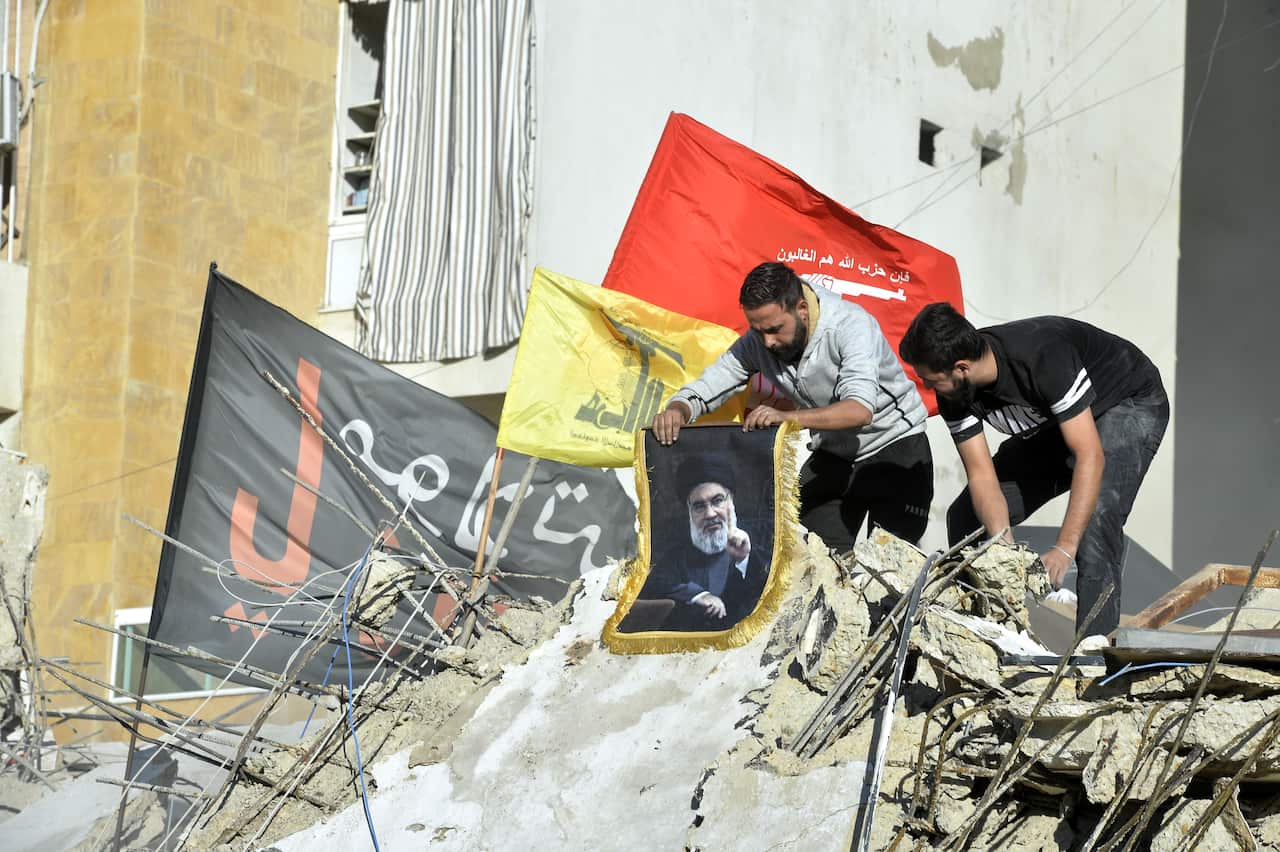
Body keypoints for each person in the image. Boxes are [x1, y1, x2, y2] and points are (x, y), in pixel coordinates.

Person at [898, 302, 1169, 636]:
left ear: (962, 368)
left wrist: (1063, 548)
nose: (927, 389)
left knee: (1095, 524)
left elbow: (1090, 456)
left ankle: (1093, 655)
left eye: (931, 381)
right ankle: (987, 634)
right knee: (966, 517)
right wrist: (1002, 547)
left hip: (1127, 402)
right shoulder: (955, 392)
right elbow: (982, 475)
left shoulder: (1042, 357)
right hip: (1058, 424)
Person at [651, 261, 933, 550]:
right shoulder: (759, 341)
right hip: (835, 455)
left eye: (775, 329)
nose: (767, 342)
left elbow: (859, 409)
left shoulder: (850, 325)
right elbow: (714, 382)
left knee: (891, 574)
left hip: (897, 449)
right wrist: (679, 408)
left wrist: (786, 416)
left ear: (801, 309)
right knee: (807, 560)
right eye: (758, 331)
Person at [637, 456, 768, 630]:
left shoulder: (763, 540)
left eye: (717, 501)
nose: (710, 514)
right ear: (689, 511)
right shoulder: (675, 554)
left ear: (731, 501)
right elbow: (654, 586)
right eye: (699, 506)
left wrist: (743, 560)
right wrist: (699, 595)